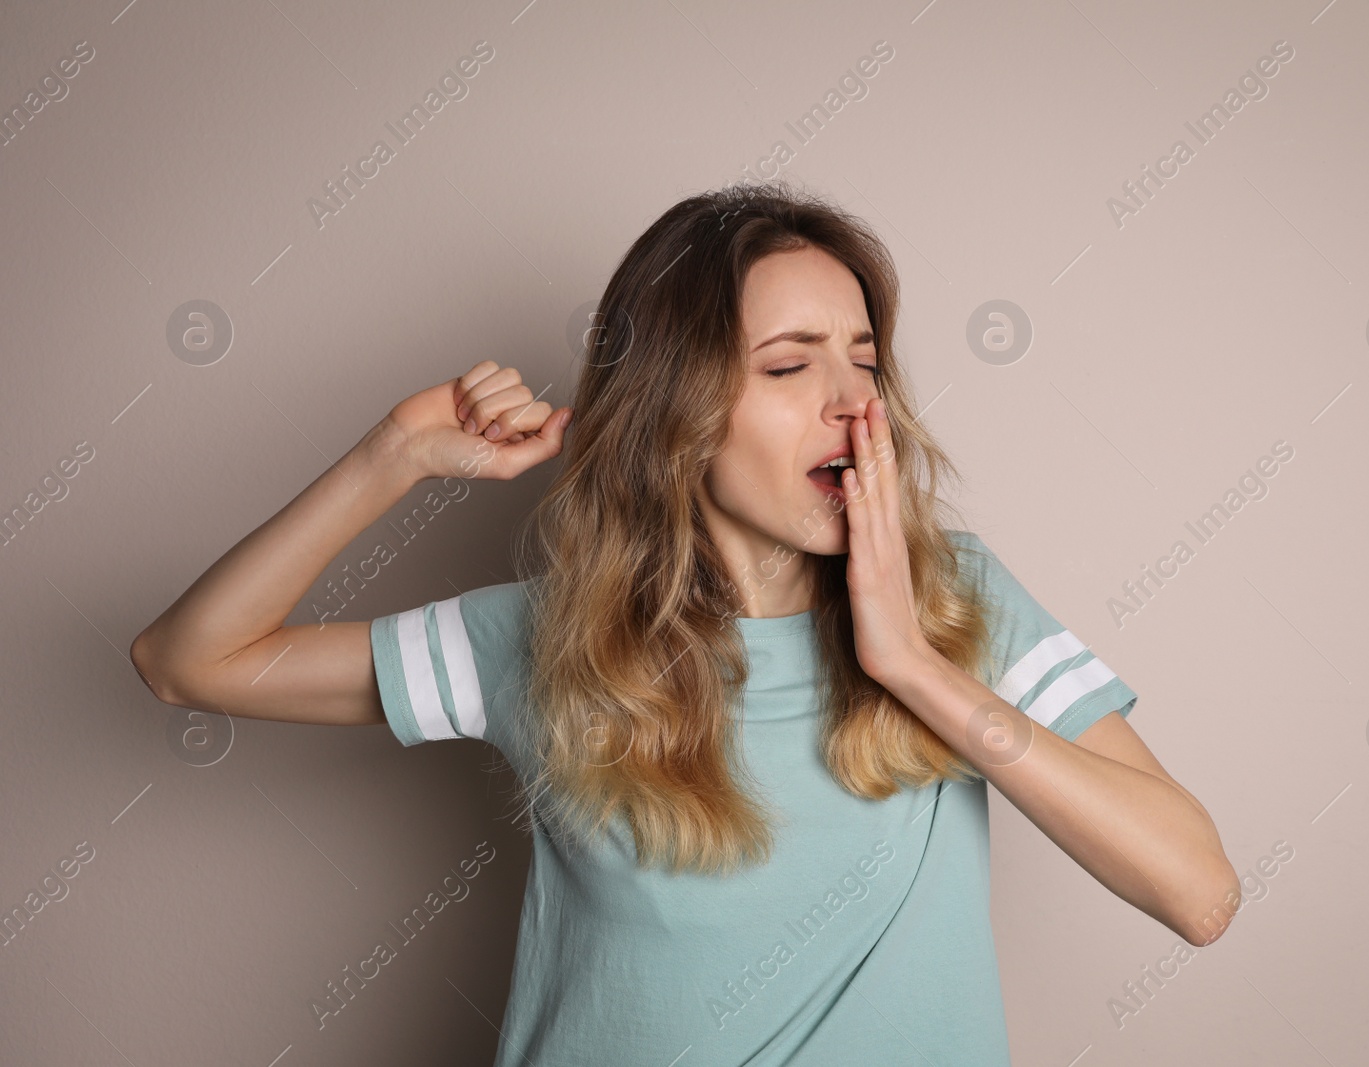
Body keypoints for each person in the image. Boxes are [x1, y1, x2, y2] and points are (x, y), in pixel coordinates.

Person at [130, 179, 1238, 1066]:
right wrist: (394, 457)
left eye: (865, 356)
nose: (854, 400)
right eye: (790, 364)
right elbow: (187, 661)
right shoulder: (544, 637)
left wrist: (912, 664)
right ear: (675, 408)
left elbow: (1198, 892)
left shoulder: (956, 601)